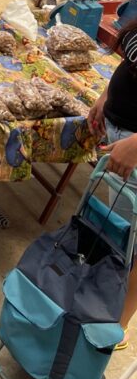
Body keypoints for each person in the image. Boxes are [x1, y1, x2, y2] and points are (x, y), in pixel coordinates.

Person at [87, 22, 137, 348]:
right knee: (120, 232)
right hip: (121, 138)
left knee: (136, 244)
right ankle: (103, 296)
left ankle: (118, 323)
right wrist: (107, 95)